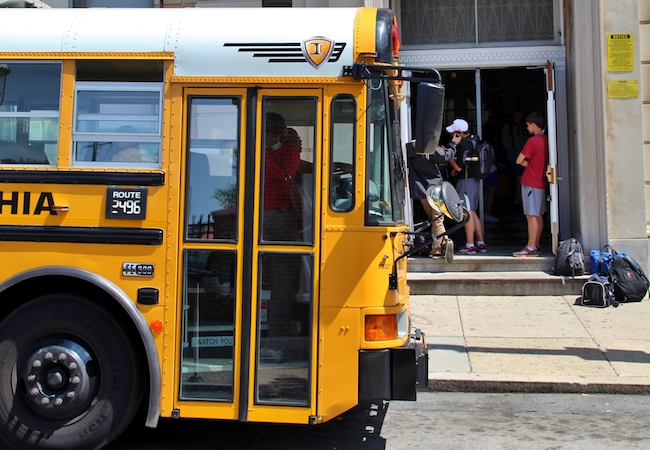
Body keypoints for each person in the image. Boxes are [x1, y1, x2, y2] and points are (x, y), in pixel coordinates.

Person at [407, 144, 456, 258]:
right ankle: (436, 249)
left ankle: (445, 241)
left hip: (421, 191)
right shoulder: (429, 147)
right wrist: (453, 144)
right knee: (438, 219)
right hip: (434, 190)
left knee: (434, 219)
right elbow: (446, 156)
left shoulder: (411, 148)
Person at [446, 118, 487, 254]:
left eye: (454, 133)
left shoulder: (463, 145)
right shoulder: (475, 141)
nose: (452, 136)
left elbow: (458, 167)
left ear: (459, 133)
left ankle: (470, 245)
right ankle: (480, 242)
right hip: (473, 180)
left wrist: (449, 157)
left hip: (465, 181)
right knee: (473, 211)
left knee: (466, 212)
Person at [513, 112, 548, 257]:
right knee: (538, 215)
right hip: (540, 182)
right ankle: (536, 243)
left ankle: (531, 246)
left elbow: (518, 160)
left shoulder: (533, 141)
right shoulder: (545, 140)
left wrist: (525, 163)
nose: (527, 128)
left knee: (531, 216)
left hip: (530, 182)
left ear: (533, 124)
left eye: (528, 125)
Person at [501, 108, 528, 206]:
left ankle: (521, 199)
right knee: (518, 178)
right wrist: (515, 152)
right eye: (516, 113)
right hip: (513, 157)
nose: (518, 115)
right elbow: (505, 142)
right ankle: (518, 200)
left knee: (522, 179)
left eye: (520, 113)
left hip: (524, 157)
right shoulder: (508, 127)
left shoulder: (524, 126)